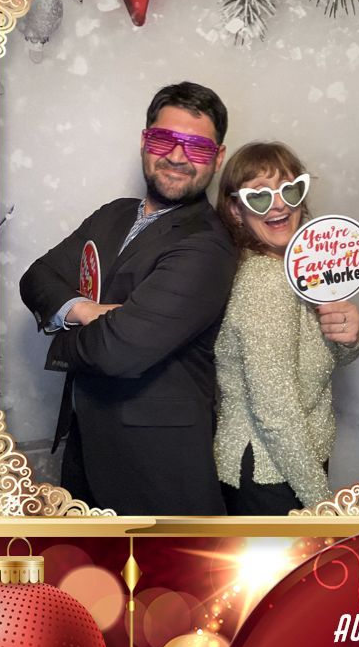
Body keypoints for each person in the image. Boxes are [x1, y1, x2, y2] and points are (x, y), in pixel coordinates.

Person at [17, 81, 240, 516]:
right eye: (164, 139)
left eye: (196, 147)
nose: (177, 157)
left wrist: (66, 330)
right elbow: (36, 277)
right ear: (144, 142)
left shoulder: (206, 246)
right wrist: (84, 309)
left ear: (218, 157)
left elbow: (118, 352)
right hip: (85, 447)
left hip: (157, 470)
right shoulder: (113, 213)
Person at [211, 142, 359, 515]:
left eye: (289, 190)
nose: (278, 205)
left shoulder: (302, 267)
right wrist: (322, 505)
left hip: (293, 461)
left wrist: (351, 337)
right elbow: (275, 412)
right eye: (259, 196)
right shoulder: (265, 281)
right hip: (269, 469)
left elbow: (324, 359)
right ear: (235, 209)